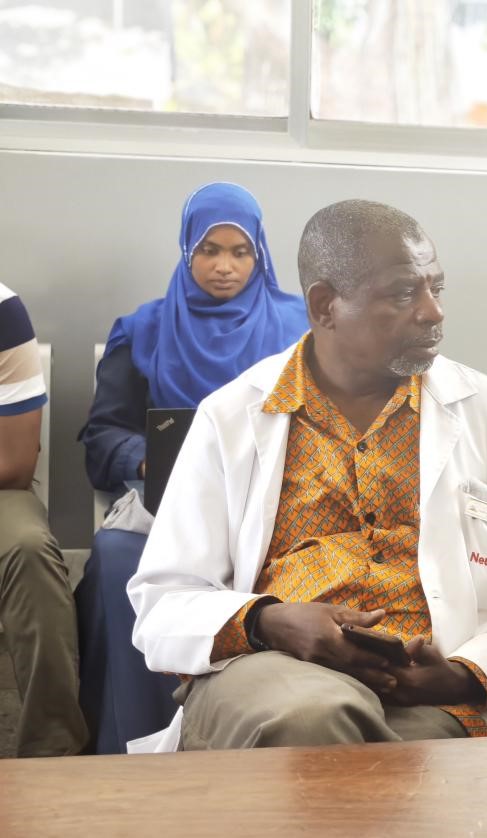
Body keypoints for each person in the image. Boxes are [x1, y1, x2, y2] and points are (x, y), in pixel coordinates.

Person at [127, 199, 487, 752]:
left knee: (394, 758)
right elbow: (165, 598)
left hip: (429, 697)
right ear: (325, 306)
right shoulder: (232, 416)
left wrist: (464, 676)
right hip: (273, 673)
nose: (433, 312)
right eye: (403, 293)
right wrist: (270, 622)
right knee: (316, 721)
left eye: (436, 288)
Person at [76, 182, 309, 752]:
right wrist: (148, 457)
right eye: (209, 250)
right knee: (114, 557)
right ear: (187, 251)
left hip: (275, 515)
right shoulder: (144, 330)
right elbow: (102, 437)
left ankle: (251, 744)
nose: (224, 267)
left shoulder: (300, 330)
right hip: (168, 514)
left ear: (260, 254)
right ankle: (128, 743)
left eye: (240, 251)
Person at [0, 283, 88, 756]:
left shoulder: (2, 308)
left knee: (29, 549)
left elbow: (15, 462)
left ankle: (51, 754)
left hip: (1, 490)